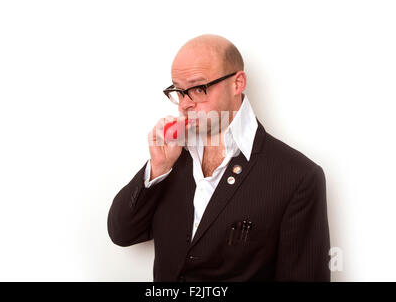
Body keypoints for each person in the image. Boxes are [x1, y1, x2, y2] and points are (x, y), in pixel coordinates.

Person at [107, 34, 330, 282]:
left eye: (198, 88)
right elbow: (122, 234)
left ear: (238, 83)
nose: (184, 105)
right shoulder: (173, 154)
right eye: (179, 91)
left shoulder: (297, 177)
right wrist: (158, 168)